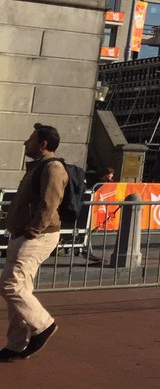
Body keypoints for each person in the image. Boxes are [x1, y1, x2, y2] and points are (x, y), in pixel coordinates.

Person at [2, 124, 67, 361]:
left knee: (10, 285)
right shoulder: (39, 167)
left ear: (43, 144)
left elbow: (50, 204)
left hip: (37, 235)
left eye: (30, 139)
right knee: (21, 288)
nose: (25, 143)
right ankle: (16, 344)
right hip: (24, 234)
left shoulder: (53, 168)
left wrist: (32, 231)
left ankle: (44, 325)